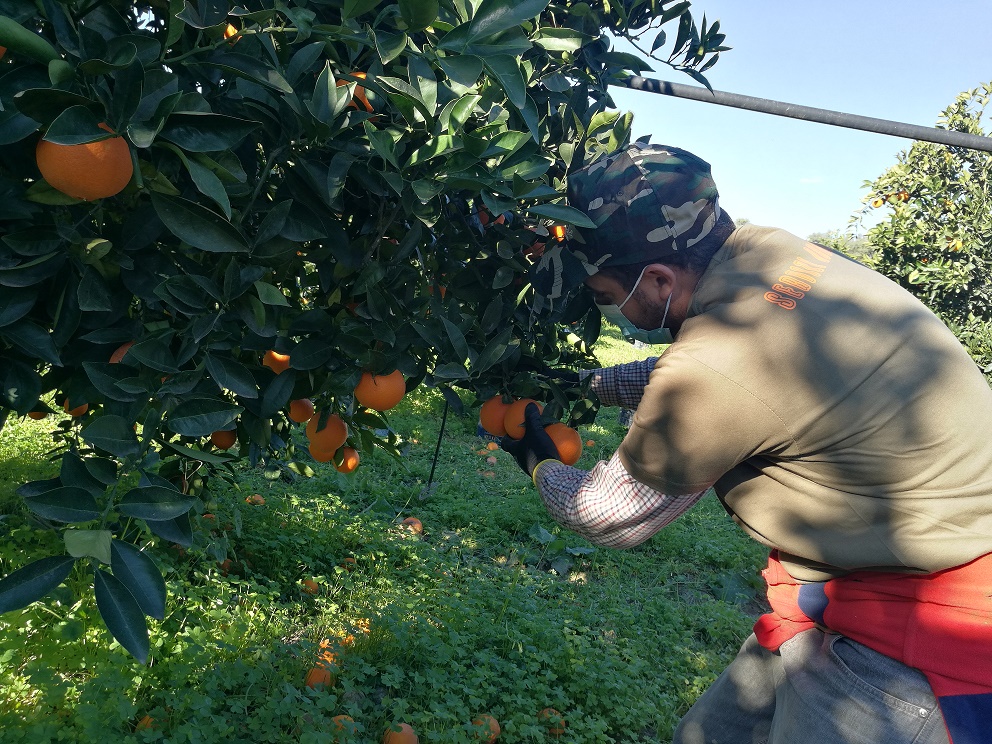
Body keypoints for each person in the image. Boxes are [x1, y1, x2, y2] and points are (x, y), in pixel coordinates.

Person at [502, 142, 992, 744]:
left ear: (656, 278)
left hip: (924, 624)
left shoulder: (721, 367)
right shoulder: (772, 256)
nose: (611, 311)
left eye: (608, 297)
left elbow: (609, 516)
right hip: (848, 579)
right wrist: (582, 385)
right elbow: (720, 374)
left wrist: (536, 461)